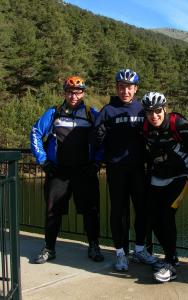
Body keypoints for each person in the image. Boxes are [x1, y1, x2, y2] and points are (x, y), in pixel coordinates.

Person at [30, 76, 104, 264]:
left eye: (78, 92)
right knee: (53, 211)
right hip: (58, 171)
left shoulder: (91, 114)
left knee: (91, 211)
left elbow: (104, 139)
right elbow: (35, 132)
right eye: (70, 92)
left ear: (83, 93)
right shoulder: (54, 113)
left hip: (84, 171)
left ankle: (94, 246)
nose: (74, 95)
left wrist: (96, 162)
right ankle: (49, 248)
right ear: (64, 92)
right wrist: (43, 161)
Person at [140, 91, 188, 283]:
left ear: (165, 109)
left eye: (157, 111)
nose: (154, 115)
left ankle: (170, 262)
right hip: (158, 177)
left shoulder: (178, 124)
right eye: (149, 112)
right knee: (151, 219)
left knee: (166, 215)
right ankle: (172, 256)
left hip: (181, 175)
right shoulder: (145, 127)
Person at [93, 69, 156, 271]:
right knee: (118, 212)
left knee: (143, 210)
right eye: (121, 87)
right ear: (117, 88)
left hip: (139, 168)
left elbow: (155, 129)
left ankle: (139, 249)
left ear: (136, 88)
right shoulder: (108, 110)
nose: (125, 91)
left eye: (129, 87)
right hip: (116, 169)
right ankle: (120, 253)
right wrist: (99, 134)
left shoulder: (142, 109)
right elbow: (95, 138)